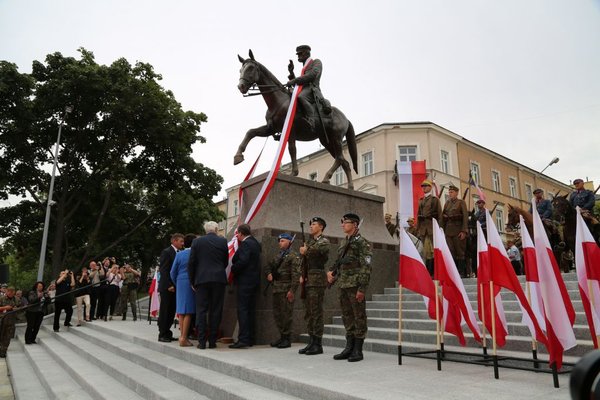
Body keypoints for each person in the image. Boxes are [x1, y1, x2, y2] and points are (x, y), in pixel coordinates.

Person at [327, 213, 372, 362]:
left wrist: (362, 288)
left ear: (355, 224)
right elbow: (339, 262)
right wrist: (331, 272)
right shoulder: (343, 242)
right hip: (343, 283)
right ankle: (349, 347)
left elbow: (366, 266)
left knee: (358, 316)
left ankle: (358, 349)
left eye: (346, 222)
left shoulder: (362, 242)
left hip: (355, 284)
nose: (342, 225)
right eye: (342, 222)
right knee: (347, 315)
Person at [188, 221, 228, 350]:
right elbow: (225, 261)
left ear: (205, 230)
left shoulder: (197, 242)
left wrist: (192, 281)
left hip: (201, 279)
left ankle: (201, 342)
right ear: (216, 229)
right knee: (216, 310)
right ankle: (212, 341)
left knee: (201, 310)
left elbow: (192, 263)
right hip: (218, 279)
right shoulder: (223, 242)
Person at [298, 216, 330, 355]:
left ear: (321, 227)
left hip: (317, 280)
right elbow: (304, 261)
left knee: (316, 312)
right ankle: (311, 341)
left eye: (314, 224)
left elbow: (316, 253)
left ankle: (318, 343)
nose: (311, 226)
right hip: (308, 279)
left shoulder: (324, 241)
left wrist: (306, 251)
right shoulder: (310, 242)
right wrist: (302, 274)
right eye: (310, 224)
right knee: (309, 312)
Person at [229, 224, 262, 349]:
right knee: (250, 310)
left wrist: (233, 268)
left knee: (243, 310)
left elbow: (243, 261)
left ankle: (243, 339)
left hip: (245, 281)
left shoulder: (247, 244)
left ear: (241, 233)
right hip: (253, 281)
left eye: (237, 234)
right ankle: (250, 338)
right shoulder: (255, 243)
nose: (237, 236)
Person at [266, 233, 301, 349]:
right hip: (277, 289)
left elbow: (296, 275)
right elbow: (268, 266)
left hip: (286, 290)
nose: (280, 243)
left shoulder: (293, 256)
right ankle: (281, 337)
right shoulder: (278, 256)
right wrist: (269, 274)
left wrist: (292, 291)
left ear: (289, 242)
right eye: (279, 241)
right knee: (278, 314)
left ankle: (287, 339)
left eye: (283, 241)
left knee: (286, 315)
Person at [285, 45, 330, 131]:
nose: (298, 56)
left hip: (312, 89)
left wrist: (293, 81)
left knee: (301, 96)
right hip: (304, 89)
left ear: (307, 53)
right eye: (298, 54)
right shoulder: (304, 68)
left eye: (300, 54)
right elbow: (300, 83)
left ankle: (311, 120)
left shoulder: (316, 62)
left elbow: (311, 76)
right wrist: (291, 72)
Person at [169, 234, 196, 347]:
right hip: (190, 283)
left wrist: (177, 283)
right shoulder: (194, 254)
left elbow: (172, 272)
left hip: (180, 282)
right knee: (188, 311)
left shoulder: (179, 254)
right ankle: (184, 338)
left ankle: (182, 336)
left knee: (181, 311)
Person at [158, 233, 184, 343]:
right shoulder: (167, 252)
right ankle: (162, 334)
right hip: (167, 287)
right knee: (165, 310)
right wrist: (169, 285)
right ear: (174, 241)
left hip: (175, 286)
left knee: (171, 310)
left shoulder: (179, 252)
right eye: (180, 241)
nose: (182, 243)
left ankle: (167, 333)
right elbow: (164, 270)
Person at [440, 185, 469, 277]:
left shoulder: (461, 203)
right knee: (451, 251)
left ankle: (461, 272)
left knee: (460, 251)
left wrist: (464, 231)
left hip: (458, 230)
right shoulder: (447, 203)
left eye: (452, 192)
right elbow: (442, 216)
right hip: (448, 230)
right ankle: (453, 272)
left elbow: (465, 217)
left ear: (456, 193)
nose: (450, 194)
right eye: (449, 192)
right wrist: (442, 230)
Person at [416, 180, 442, 276]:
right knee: (426, 252)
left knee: (433, 251)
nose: (424, 188)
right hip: (424, 229)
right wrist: (417, 228)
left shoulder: (435, 200)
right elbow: (418, 215)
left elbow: (440, 215)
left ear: (430, 187)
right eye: (423, 186)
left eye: (426, 186)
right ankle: (429, 272)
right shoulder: (421, 200)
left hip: (432, 228)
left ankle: (435, 272)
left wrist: (440, 228)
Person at [0, 287, 19, 357]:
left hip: (11, 321)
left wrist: (16, 309)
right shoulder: (2, 298)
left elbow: (21, 308)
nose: (11, 293)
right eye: (9, 291)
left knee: (7, 337)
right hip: (2, 320)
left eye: (12, 292)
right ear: (6, 292)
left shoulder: (16, 299)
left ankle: (3, 352)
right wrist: (5, 308)